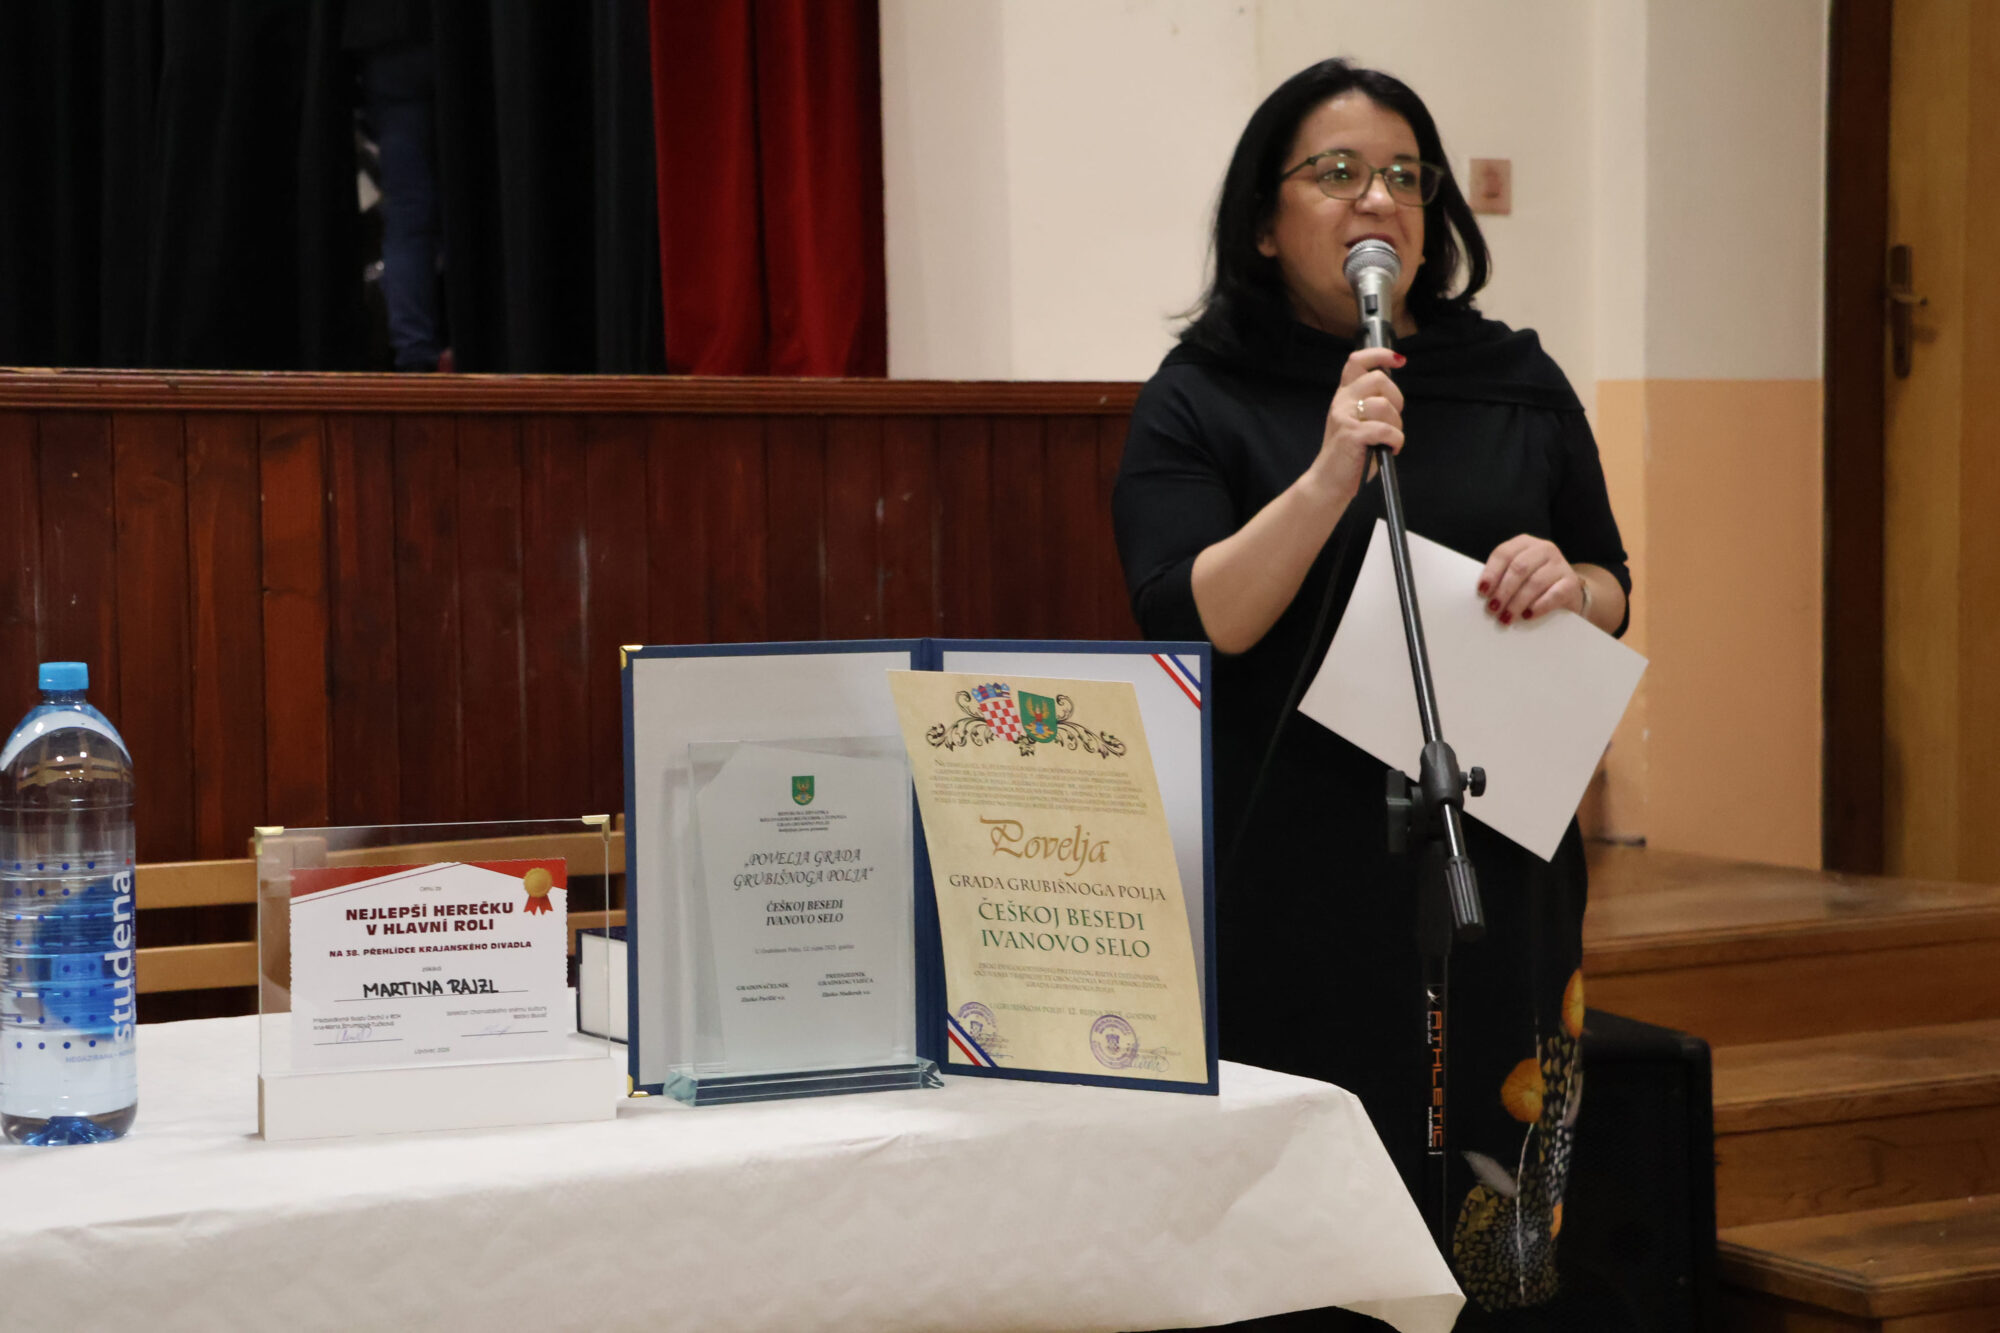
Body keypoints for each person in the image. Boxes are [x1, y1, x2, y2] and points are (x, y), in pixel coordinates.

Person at [1113, 59, 1630, 1328]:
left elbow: (1612, 581)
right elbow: (1195, 614)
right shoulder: (1201, 392)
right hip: (1294, 862)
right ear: (1263, 217)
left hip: (1489, 847)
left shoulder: (1511, 376)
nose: (1376, 200)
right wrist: (1326, 474)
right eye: (1335, 173)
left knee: (1495, 1223)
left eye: (1402, 174)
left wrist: (1564, 584)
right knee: (1313, 1229)